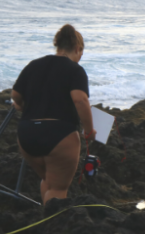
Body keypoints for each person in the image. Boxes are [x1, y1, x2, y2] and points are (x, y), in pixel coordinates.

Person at [11, 24, 96, 205]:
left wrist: (22, 105)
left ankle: (46, 222)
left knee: (49, 181)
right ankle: (53, 227)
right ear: (77, 48)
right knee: (58, 189)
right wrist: (89, 131)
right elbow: (80, 100)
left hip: (27, 134)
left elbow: (15, 96)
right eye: (81, 52)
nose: (81, 57)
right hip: (58, 135)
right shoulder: (75, 70)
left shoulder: (34, 65)